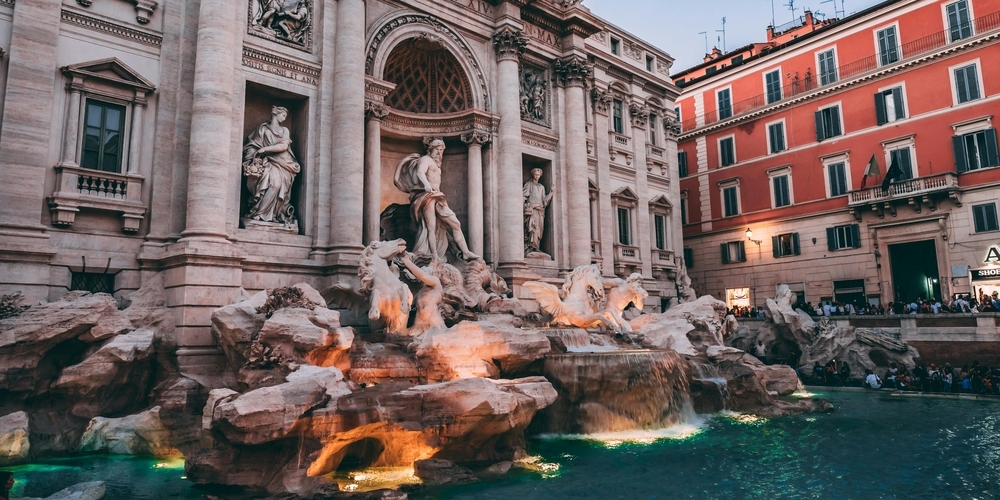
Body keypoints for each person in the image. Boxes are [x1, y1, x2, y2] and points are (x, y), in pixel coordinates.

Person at [394, 139, 479, 262]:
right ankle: (434, 256)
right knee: (431, 227)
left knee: (455, 223)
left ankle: (465, 252)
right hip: (427, 195)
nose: (439, 153)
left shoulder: (436, 163)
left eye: (441, 150)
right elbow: (420, 172)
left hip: (438, 196)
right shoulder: (425, 160)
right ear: (431, 149)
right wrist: (426, 184)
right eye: (437, 150)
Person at [242, 106, 301, 224]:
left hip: (284, 163)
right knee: (271, 184)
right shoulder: (262, 129)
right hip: (268, 161)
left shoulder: (285, 130)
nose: (284, 119)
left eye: (285, 117)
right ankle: (260, 213)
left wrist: (264, 149)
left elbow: (284, 146)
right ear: (275, 113)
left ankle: (268, 213)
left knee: (277, 185)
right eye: (283, 115)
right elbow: (253, 145)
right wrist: (253, 155)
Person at [522, 168, 554, 255]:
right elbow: (524, 196)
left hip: (540, 211)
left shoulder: (541, 187)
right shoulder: (529, 184)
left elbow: (545, 201)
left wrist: (551, 192)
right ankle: (530, 247)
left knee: (539, 230)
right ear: (533, 174)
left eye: (538, 175)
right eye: (535, 175)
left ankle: (536, 247)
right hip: (532, 210)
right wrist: (524, 206)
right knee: (532, 228)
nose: (537, 176)